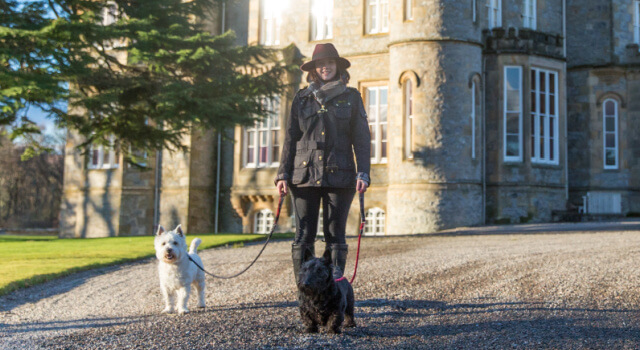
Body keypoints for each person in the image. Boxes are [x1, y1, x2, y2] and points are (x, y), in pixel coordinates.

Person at [274, 43, 371, 283]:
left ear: (337, 66)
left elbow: (362, 138)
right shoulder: (302, 98)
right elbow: (290, 138)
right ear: (314, 69)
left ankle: (334, 289)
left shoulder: (352, 98)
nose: (324, 67)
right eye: (320, 64)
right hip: (303, 176)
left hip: (340, 175)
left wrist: (364, 173)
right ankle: (304, 289)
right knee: (304, 235)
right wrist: (282, 174)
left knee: (335, 234)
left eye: (329, 63)